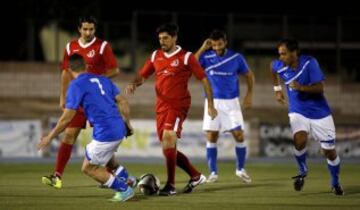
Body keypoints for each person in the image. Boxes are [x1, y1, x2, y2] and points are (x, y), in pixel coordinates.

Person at [125, 23, 217, 196]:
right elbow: (143, 75)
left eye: (166, 38)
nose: (162, 41)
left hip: (178, 105)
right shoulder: (155, 56)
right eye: (160, 38)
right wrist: (133, 83)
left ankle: (171, 185)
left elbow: (204, 80)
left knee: (168, 138)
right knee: (168, 148)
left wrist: (211, 105)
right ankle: (195, 176)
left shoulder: (186, 57)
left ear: (175, 38)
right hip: (161, 106)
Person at [38, 54, 135, 202]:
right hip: (118, 128)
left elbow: (66, 118)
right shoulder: (103, 79)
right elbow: (123, 102)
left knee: (89, 168)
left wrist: (49, 137)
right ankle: (130, 181)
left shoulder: (76, 85)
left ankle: (124, 190)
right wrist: (128, 124)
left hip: (106, 132)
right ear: (86, 66)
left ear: (69, 69)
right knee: (109, 161)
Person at [42, 16, 119, 188]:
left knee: (101, 140)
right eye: (85, 29)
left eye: (91, 29)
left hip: (96, 101)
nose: (88, 32)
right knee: (69, 135)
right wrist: (62, 97)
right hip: (78, 99)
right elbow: (65, 72)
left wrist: (95, 82)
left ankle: (112, 174)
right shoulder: (70, 47)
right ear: (79, 29)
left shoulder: (102, 46)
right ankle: (57, 177)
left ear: (95, 29)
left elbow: (115, 70)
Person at [270, 38, 344, 195]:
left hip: (320, 113)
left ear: (294, 53)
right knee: (299, 140)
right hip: (298, 111)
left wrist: (301, 87)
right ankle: (302, 168)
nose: (280, 57)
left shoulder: (310, 63)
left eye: (284, 54)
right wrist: (277, 89)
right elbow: (273, 69)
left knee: (329, 152)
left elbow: (320, 88)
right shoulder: (279, 65)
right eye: (279, 54)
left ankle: (335, 182)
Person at [194, 29, 255, 183]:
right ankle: (213, 173)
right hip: (212, 102)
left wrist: (249, 95)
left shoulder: (236, 57)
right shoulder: (206, 57)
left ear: (225, 42)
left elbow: (249, 75)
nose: (216, 48)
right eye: (213, 45)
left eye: (219, 44)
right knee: (212, 136)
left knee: (239, 135)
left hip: (232, 102)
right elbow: (192, 65)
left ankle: (240, 169)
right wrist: (202, 48)